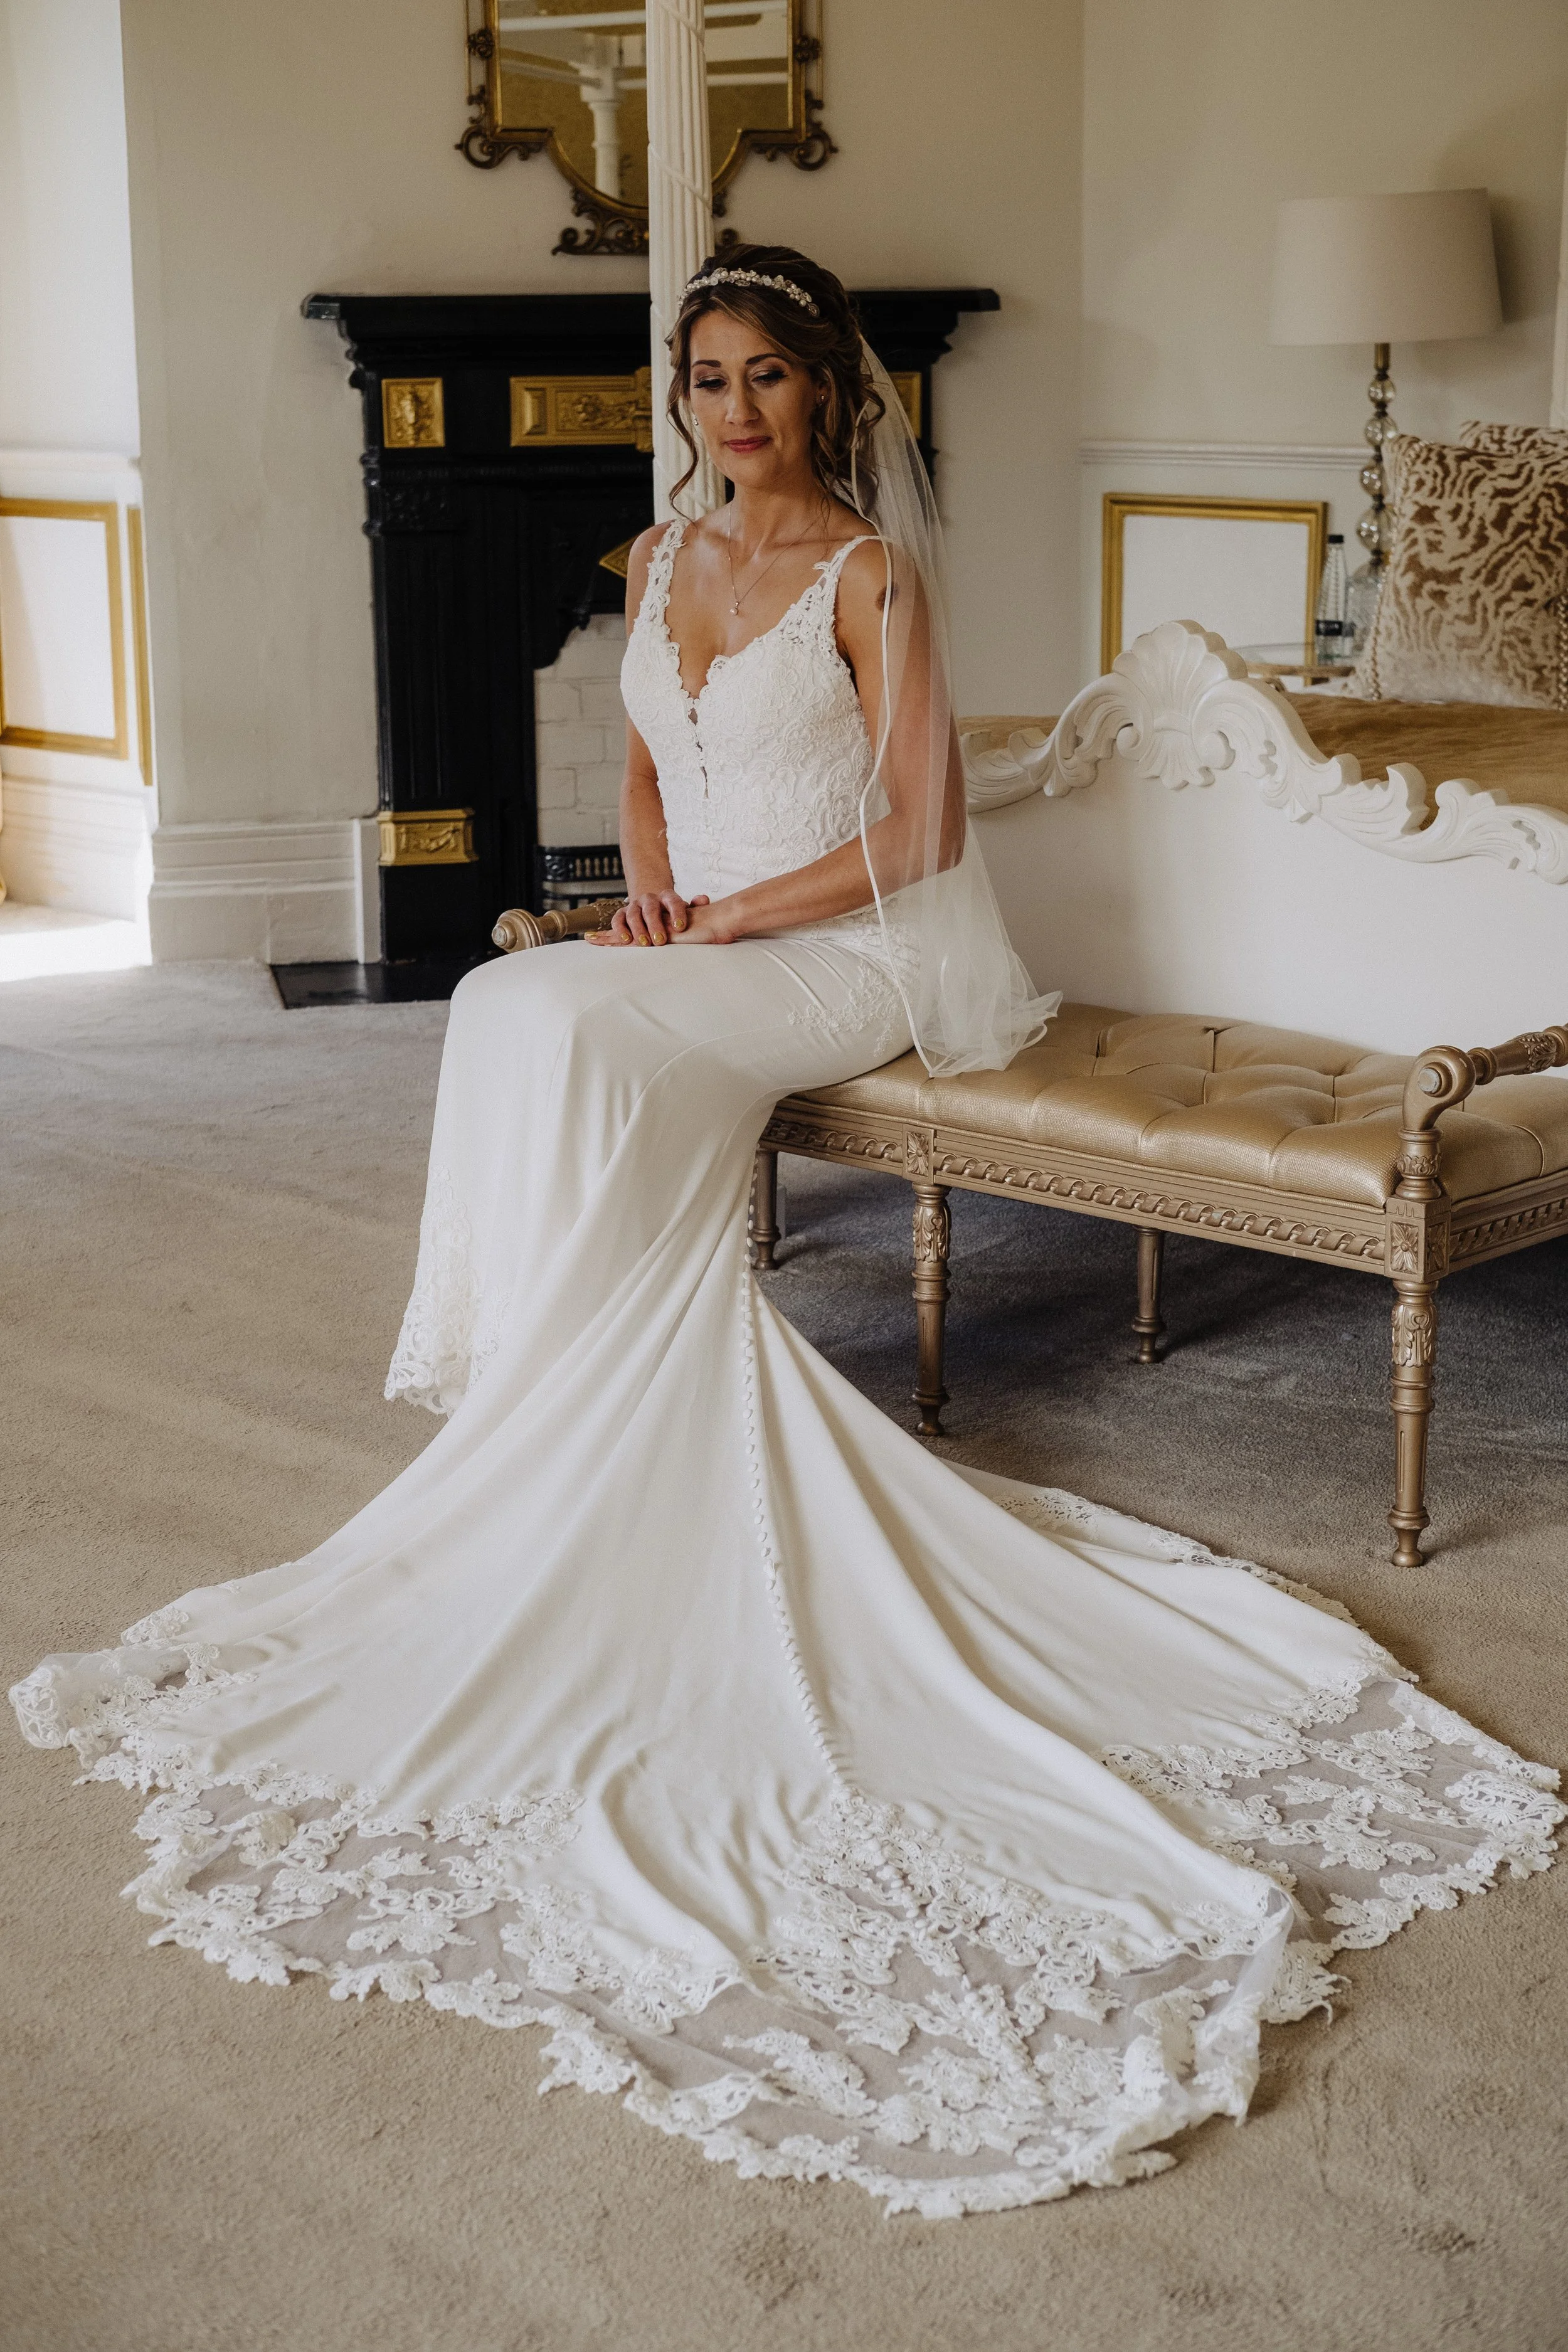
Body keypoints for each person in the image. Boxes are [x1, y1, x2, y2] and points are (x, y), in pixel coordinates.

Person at [12, 246, 1559, 2221]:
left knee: (554, 1024)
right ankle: (549, 1428)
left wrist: (727, 927)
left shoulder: (869, 578)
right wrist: (648, 904)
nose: (732, 412)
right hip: (713, 944)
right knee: (516, 1004)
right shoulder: (655, 562)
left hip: (857, 961)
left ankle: (557, 1432)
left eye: (765, 380)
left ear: (828, 396)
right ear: (681, 396)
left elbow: (920, 839)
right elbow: (651, 772)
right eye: (705, 379)